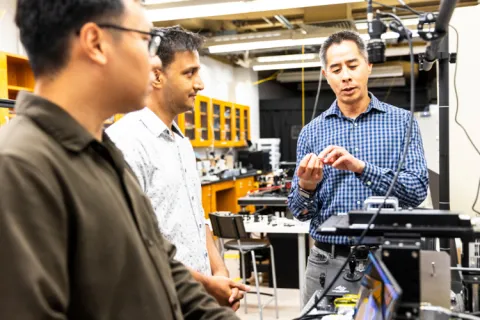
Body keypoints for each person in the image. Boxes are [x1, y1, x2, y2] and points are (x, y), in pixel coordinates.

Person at [0, 1, 239, 319]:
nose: (154, 60)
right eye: (145, 41)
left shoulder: (102, 151)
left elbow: (161, 263)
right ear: (95, 43)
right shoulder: (19, 167)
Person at [106, 26, 248, 310]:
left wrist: (218, 272)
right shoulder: (126, 143)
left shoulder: (181, 143)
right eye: (189, 73)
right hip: (157, 300)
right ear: (157, 75)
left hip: (195, 298)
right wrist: (207, 285)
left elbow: (198, 218)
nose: (200, 84)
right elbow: (134, 245)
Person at [287, 30, 429, 306]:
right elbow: (300, 213)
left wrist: (361, 168)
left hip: (385, 261)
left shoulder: (401, 123)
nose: (346, 76)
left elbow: (416, 191)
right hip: (325, 264)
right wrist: (306, 187)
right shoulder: (311, 133)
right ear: (325, 74)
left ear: (368, 65)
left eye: (352, 66)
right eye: (336, 69)